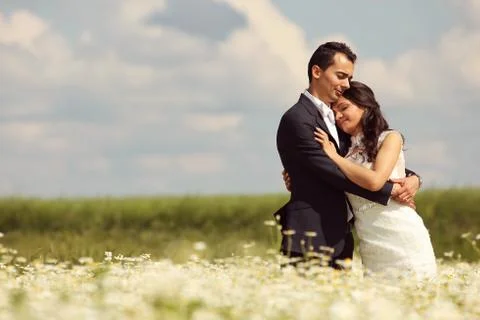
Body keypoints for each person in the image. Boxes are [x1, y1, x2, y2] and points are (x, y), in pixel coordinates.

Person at [275, 41, 421, 269]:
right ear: (316, 71)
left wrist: (412, 178)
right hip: (310, 236)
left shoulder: (338, 120)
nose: (346, 84)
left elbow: (361, 159)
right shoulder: (298, 119)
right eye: (341, 76)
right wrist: (390, 189)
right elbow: (333, 172)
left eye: (349, 78)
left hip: (341, 238)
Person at [314, 81, 436, 278]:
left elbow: (375, 181)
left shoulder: (390, 138)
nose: (338, 116)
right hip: (371, 243)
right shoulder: (344, 152)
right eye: (334, 112)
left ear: (365, 105)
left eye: (344, 108)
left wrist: (333, 157)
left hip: (401, 234)